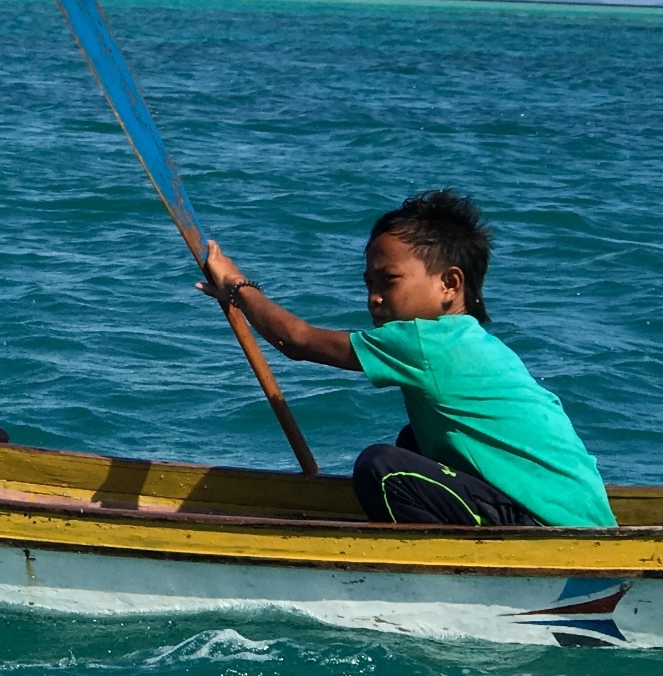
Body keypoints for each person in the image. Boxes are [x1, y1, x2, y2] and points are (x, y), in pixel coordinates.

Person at [198, 189, 616, 530]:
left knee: (383, 467)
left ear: (450, 285)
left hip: (544, 525)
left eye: (389, 281)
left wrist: (237, 286)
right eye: (369, 283)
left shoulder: (425, 341)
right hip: (575, 515)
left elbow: (297, 340)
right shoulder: (471, 340)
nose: (374, 297)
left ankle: (434, 569)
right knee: (414, 441)